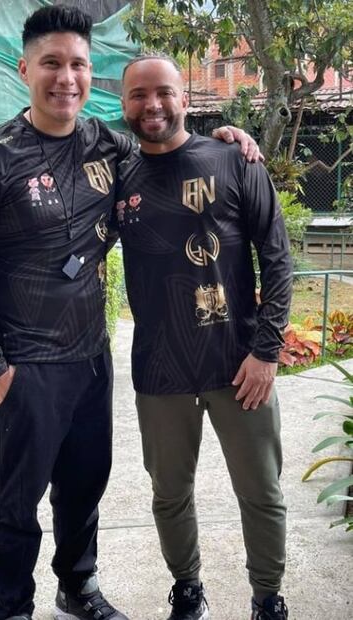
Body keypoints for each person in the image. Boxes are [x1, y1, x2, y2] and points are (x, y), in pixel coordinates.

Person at [0, 5, 260, 620]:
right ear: (24, 70)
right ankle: (10, 606)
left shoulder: (106, 143)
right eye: (51, 63)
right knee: (17, 498)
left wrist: (226, 138)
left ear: (91, 74)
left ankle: (78, 587)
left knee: (85, 483)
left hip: (91, 356)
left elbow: (167, 145)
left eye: (78, 65)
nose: (66, 78)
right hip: (24, 362)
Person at [116, 54, 293, 620]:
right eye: (139, 95)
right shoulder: (118, 176)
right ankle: (188, 591)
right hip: (160, 369)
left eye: (163, 92)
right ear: (124, 104)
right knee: (169, 494)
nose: (152, 105)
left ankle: (267, 597)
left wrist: (266, 351)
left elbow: (277, 258)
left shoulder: (233, 159)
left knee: (260, 491)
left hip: (239, 364)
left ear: (185, 99)